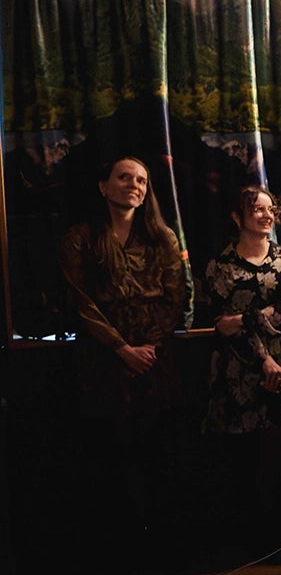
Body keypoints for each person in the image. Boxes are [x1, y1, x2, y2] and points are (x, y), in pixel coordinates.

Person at [58, 154, 190, 539]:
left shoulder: (163, 237)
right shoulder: (80, 238)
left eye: (141, 180)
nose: (134, 185)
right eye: (124, 177)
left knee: (159, 451)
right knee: (111, 454)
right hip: (103, 359)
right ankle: (120, 543)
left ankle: (162, 540)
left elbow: (176, 298)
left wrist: (148, 348)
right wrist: (121, 349)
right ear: (103, 186)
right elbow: (79, 301)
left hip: (155, 359)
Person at [200, 185, 281, 557]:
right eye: (257, 210)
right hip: (240, 366)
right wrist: (262, 357)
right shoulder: (220, 265)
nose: (267, 216)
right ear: (237, 217)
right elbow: (222, 323)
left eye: (270, 209)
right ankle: (253, 540)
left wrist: (244, 319)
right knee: (243, 459)